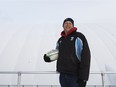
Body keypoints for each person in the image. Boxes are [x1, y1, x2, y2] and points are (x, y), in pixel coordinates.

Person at [56, 18, 91, 87]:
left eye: (70, 23)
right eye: (66, 23)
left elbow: (86, 56)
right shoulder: (60, 40)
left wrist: (83, 78)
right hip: (63, 75)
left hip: (75, 76)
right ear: (63, 26)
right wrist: (48, 57)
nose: (68, 25)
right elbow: (56, 53)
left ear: (73, 25)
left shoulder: (79, 37)